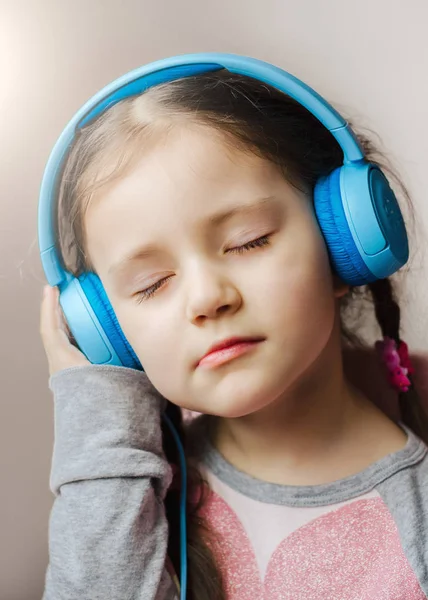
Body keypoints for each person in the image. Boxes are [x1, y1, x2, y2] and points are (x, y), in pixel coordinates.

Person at [39, 58, 428, 600]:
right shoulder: (128, 491)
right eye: (151, 284)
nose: (207, 298)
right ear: (109, 332)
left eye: (248, 241)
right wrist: (97, 409)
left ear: (344, 245)